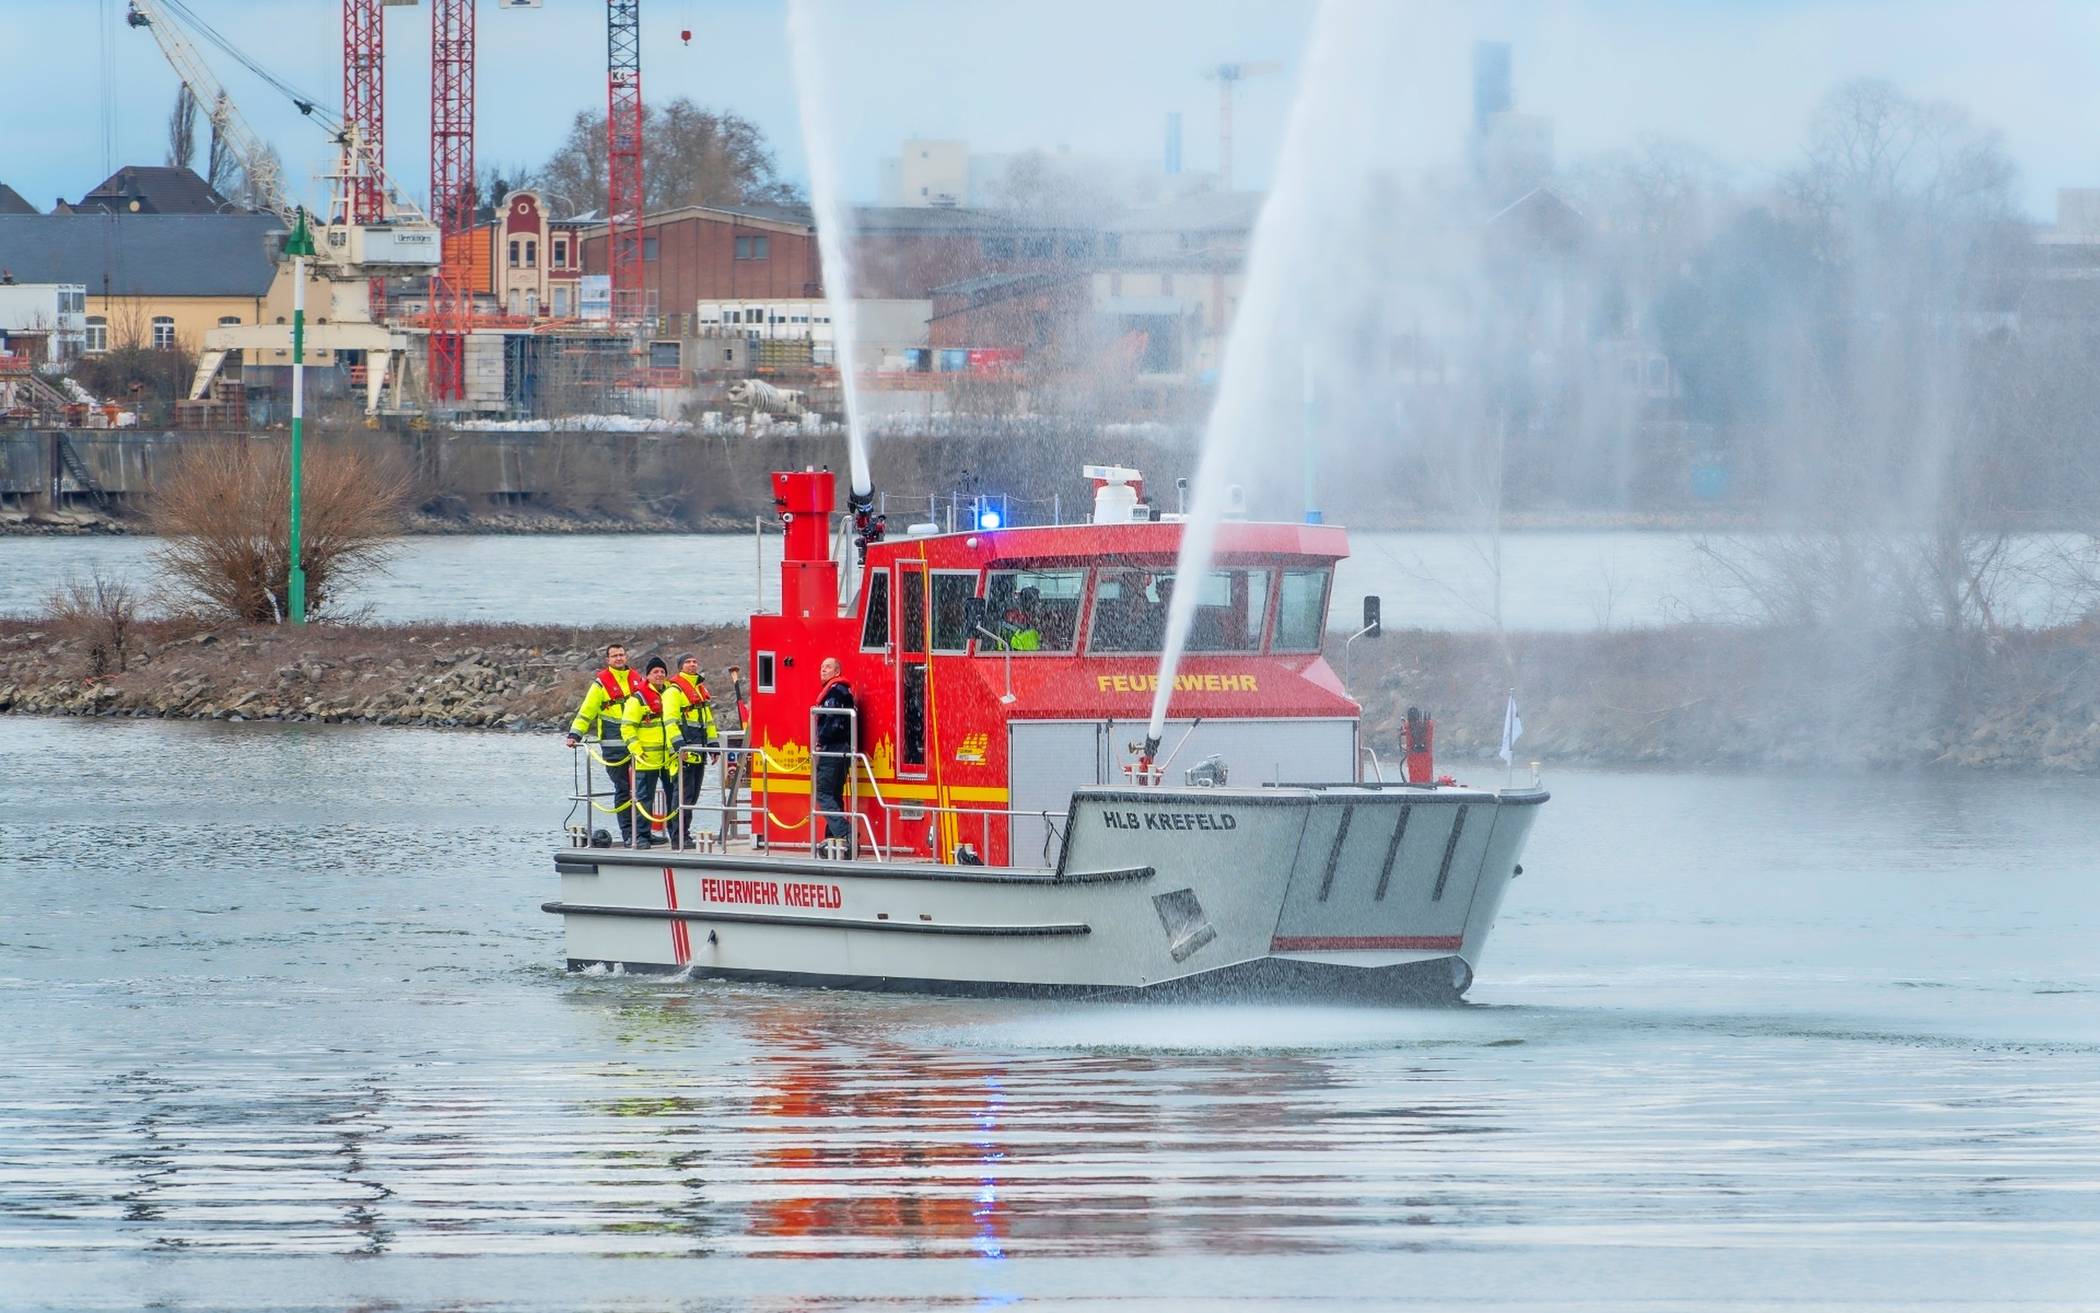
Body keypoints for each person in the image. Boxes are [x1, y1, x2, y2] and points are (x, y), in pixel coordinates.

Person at [566, 642, 639, 843]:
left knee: (642, 791)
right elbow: (586, 712)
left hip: (638, 746)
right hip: (614, 747)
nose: (619, 658)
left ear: (626, 657)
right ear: (608, 660)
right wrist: (575, 735)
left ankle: (643, 833)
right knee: (623, 790)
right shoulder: (600, 684)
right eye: (614, 656)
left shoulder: (637, 680)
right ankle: (628, 835)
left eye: (621, 655)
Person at [620, 656, 687, 849]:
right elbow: (627, 728)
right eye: (655, 672)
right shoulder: (637, 698)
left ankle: (675, 834)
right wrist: (637, 750)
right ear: (647, 676)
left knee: (673, 796)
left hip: (669, 758)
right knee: (644, 798)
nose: (660, 675)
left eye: (662, 672)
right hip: (647, 758)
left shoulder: (671, 694)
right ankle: (642, 835)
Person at [670, 654, 719, 845]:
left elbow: (708, 722)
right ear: (680, 667)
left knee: (692, 796)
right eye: (688, 662)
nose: (692, 664)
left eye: (694, 661)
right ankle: (678, 837)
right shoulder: (674, 691)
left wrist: (714, 747)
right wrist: (680, 748)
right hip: (684, 753)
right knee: (682, 795)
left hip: (699, 752)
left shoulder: (700, 689)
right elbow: (670, 721)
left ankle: (685, 833)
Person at [811, 656, 856, 858]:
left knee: (823, 793)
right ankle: (833, 840)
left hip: (834, 749)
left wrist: (821, 739)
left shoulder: (835, 692)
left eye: (828, 667)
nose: (823, 670)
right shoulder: (843, 691)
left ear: (837, 671)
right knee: (835, 795)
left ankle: (846, 834)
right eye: (821, 666)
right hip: (843, 749)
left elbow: (833, 721)